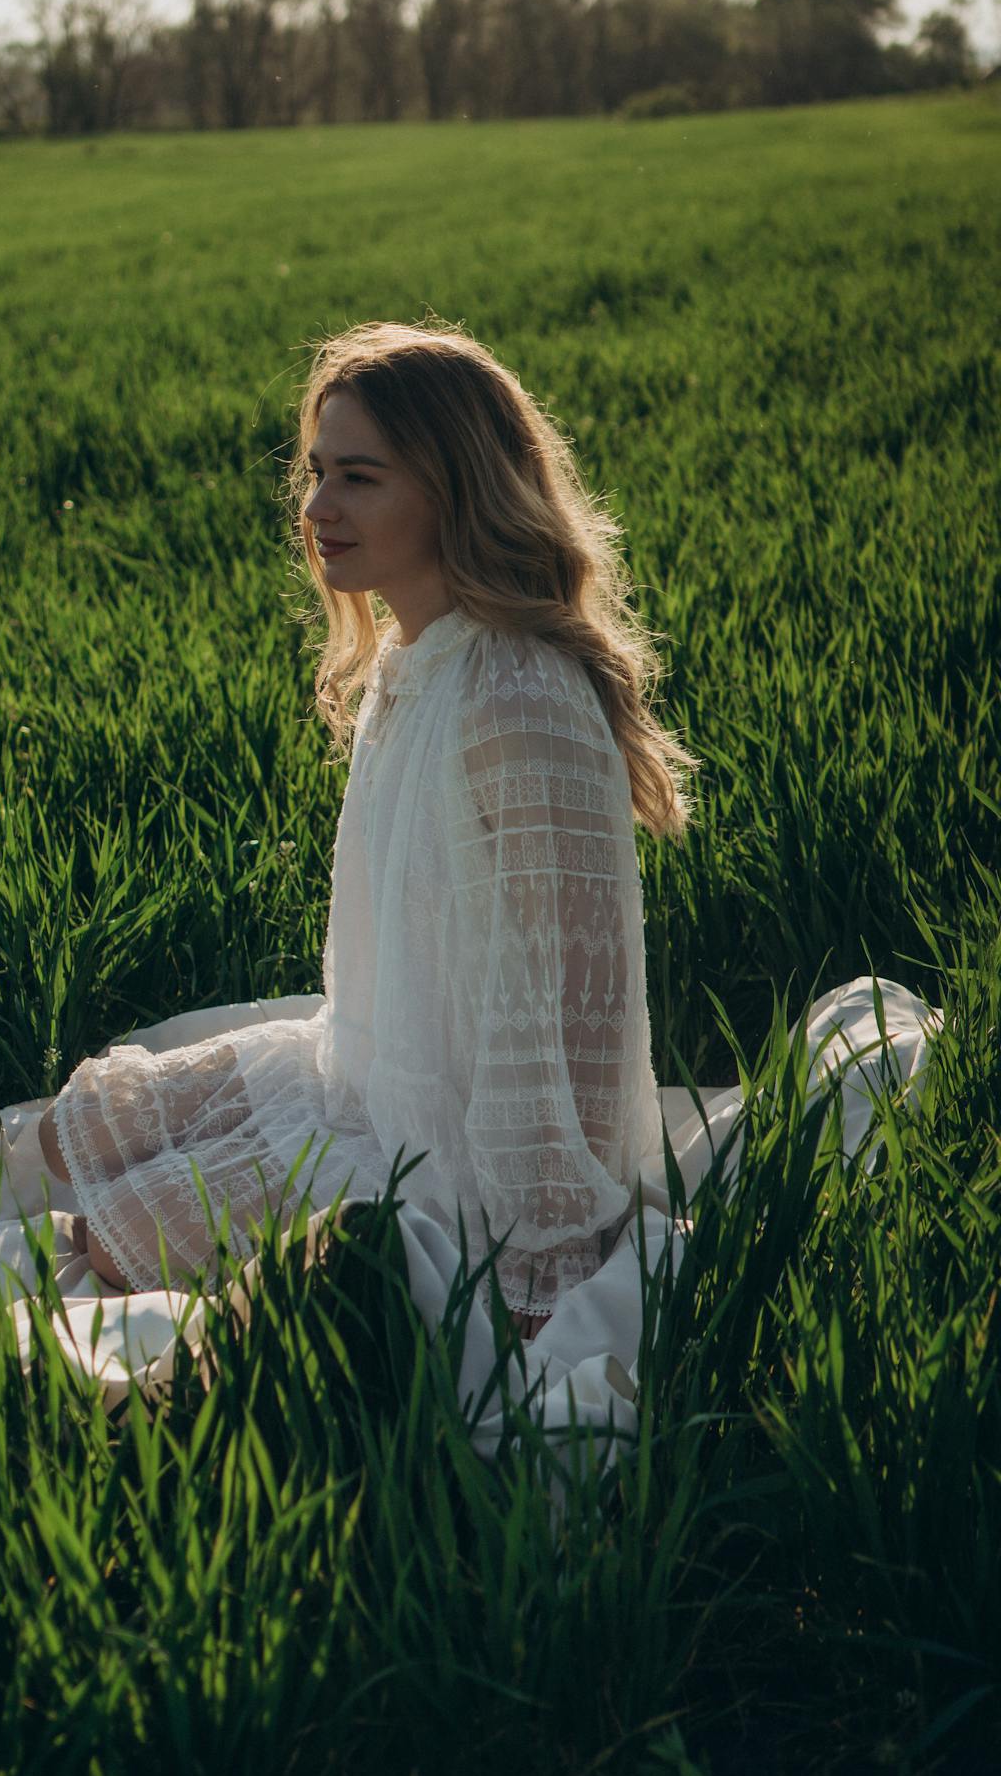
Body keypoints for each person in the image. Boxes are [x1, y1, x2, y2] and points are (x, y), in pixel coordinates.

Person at [34, 317, 697, 1343]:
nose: (316, 510)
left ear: (451, 488)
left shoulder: (518, 698)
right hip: (361, 1072)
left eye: (358, 478)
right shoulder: (411, 655)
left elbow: (571, 1014)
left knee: (115, 1247)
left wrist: (535, 1254)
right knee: (69, 1138)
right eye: (315, 473)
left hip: (453, 1155)